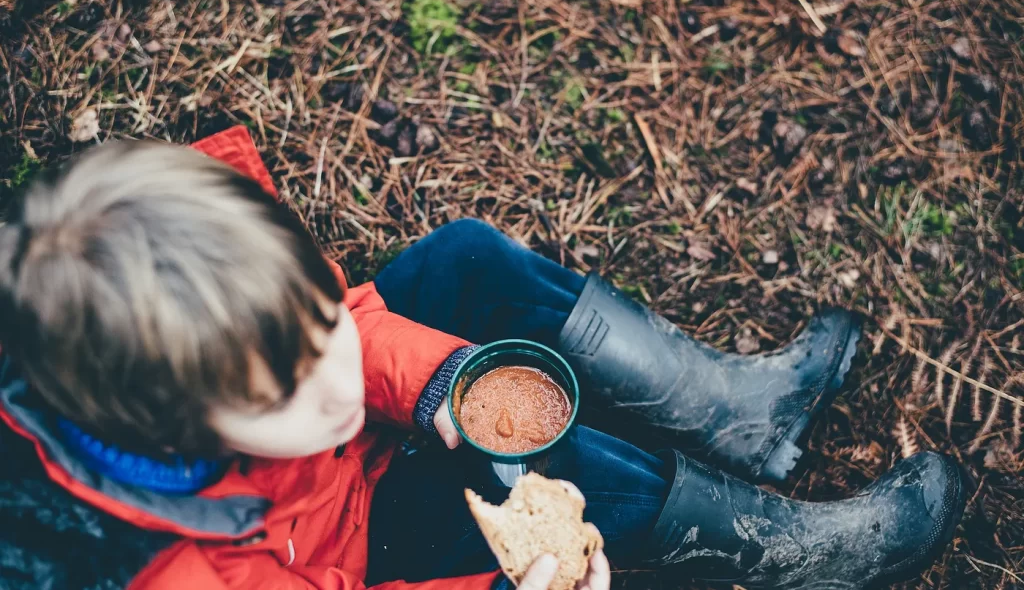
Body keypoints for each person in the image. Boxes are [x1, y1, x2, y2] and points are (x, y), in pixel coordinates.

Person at [0, 127, 966, 590]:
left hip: (351, 470)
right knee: (566, 480)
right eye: (292, 386)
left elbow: (352, 317)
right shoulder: (171, 572)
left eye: (318, 331)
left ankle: (744, 414)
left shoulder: (203, 284)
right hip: (357, 559)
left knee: (463, 260)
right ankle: (793, 559)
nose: (337, 381)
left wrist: (431, 388)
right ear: (174, 429)